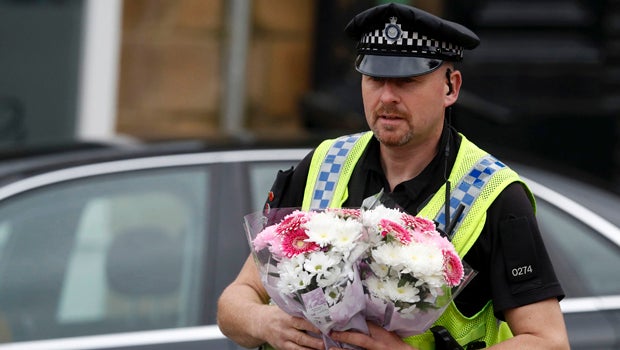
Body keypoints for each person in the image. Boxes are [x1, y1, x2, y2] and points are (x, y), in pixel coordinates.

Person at [217, 3, 569, 349]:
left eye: (407, 81)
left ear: (451, 87)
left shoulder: (494, 194)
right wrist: (266, 323)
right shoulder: (323, 164)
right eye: (374, 79)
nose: (387, 97)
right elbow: (236, 300)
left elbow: (549, 341)